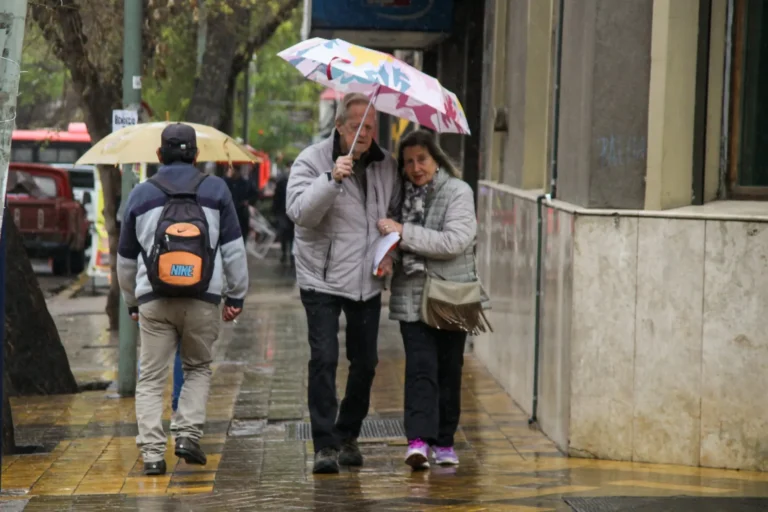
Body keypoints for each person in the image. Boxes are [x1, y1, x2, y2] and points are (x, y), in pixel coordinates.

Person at [117, 123, 248, 476]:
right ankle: (188, 435)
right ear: (196, 155)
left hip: (154, 300)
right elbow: (235, 251)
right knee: (197, 368)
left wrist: (132, 301)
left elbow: (125, 260)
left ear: (159, 155)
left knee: (150, 378)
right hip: (203, 298)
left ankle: (152, 455)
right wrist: (236, 296)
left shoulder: (141, 194)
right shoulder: (216, 189)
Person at [287, 93, 403, 474]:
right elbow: (300, 214)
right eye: (357, 126)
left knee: (366, 362)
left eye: (370, 126)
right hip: (320, 276)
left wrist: (389, 254)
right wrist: (330, 180)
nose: (365, 133)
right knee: (324, 359)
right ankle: (324, 445)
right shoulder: (312, 159)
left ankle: (348, 434)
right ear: (339, 126)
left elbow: (393, 217)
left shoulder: (387, 165)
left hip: (365, 277)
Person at [377, 130, 488, 470]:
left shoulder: (458, 192)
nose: (415, 168)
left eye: (421, 160)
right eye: (408, 162)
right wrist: (386, 256)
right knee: (420, 369)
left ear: (436, 158)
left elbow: (454, 241)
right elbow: (392, 239)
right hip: (412, 296)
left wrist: (403, 233)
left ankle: (444, 441)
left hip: (451, 296)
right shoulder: (400, 196)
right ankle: (418, 441)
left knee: (449, 370)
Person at [223, 165, 258, 239]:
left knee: (242, 233)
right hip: (230, 212)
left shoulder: (245, 183)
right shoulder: (227, 182)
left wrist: (248, 201)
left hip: (242, 212)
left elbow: (254, 194)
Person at [271, 161, 294, 266]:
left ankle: (292, 255)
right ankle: (285, 253)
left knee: (293, 235)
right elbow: (276, 197)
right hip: (283, 211)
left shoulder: (297, 180)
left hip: (294, 211)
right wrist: (275, 211)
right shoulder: (282, 182)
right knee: (284, 233)